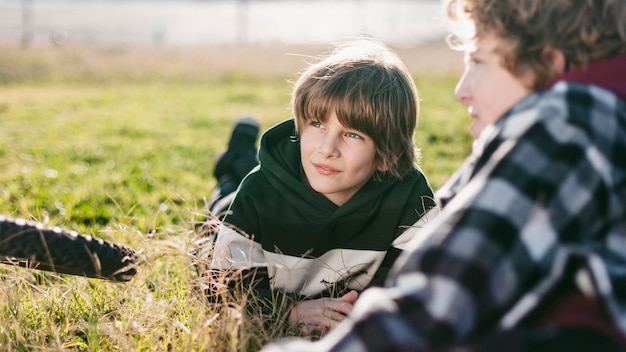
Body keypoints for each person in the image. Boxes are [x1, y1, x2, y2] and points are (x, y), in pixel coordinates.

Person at [261, 0, 626, 350]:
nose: (462, 90)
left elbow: (434, 304)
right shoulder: (598, 120)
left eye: (478, 61)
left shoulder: (567, 122)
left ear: (548, 63)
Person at [201, 38, 438, 334]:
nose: (327, 148)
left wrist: (362, 311)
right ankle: (235, 161)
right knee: (223, 204)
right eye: (317, 124)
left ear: (388, 157)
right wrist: (288, 312)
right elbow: (221, 289)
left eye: (352, 135)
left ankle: (238, 158)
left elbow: (422, 282)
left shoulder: (410, 198)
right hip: (245, 201)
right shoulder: (259, 192)